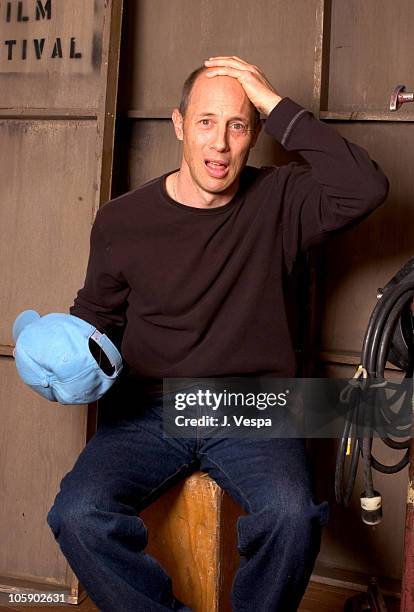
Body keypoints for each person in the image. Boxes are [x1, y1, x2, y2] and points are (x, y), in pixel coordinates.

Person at [46, 56, 389, 611]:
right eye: (207, 122)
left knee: (292, 516)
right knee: (76, 515)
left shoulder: (281, 199)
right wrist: (62, 359)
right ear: (179, 124)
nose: (221, 144)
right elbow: (98, 318)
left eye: (238, 124)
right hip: (148, 411)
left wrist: (271, 99)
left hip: (250, 406)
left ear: (255, 133)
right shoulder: (120, 220)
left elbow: (366, 185)